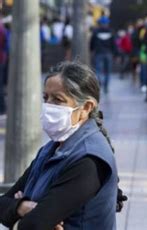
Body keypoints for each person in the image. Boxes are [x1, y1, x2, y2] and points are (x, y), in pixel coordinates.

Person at [0, 62, 119, 230]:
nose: (48, 106)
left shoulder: (89, 160)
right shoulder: (51, 149)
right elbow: (4, 202)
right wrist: (23, 207)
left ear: (86, 107)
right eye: (46, 98)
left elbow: (33, 225)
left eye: (58, 100)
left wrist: (19, 218)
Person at [90, 16, 116, 94]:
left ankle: (99, 83)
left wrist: (91, 50)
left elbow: (92, 43)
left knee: (98, 70)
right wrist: (115, 53)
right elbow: (114, 44)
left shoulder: (96, 32)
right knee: (107, 71)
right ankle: (106, 86)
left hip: (99, 53)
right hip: (108, 53)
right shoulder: (111, 32)